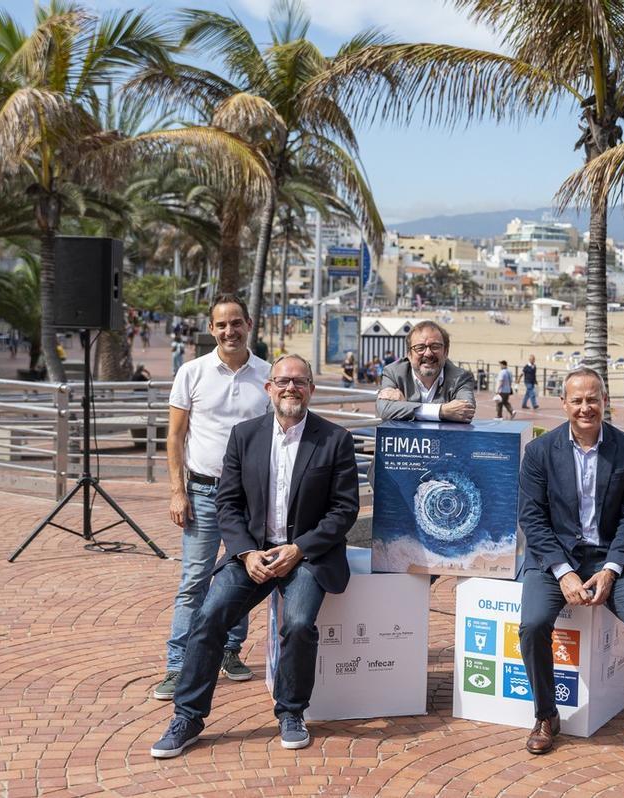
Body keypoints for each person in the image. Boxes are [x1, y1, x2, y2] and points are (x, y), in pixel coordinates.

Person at [150, 354, 360, 757]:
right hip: (254, 556)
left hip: (307, 556)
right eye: (282, 381)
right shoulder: (245, 435)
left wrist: (300, 549)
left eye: (300, 382)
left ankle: (292, 711)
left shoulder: (335, 439)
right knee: (209, 616)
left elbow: (344, 510)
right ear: (269, 389)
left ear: (312, 390)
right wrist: (246, 553)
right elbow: (228, 504)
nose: (290, 388)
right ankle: (188, 716)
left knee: (298, 623)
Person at [517, 367, 624, 765]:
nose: (586, 407)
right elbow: (532, 519)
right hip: (553, 560)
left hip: (611, 557)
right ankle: (546, 716)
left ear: (605, 402)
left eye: (593, 399)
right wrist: (563, 572)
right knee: (531, 624)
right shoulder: (540, 452)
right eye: (577, 400)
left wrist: (612, 568)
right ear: (563, 404)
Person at [154, 294, 271, 702]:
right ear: (211, 329)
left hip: (252, 497)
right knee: (194, 581)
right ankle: (177, 665)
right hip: (203, 492)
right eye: (221, 324)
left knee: (242, 577)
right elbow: (174, 436)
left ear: (249, 324)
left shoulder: (269, 376)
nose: (229, 331)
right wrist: (176, 491)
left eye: (236, 322)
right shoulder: (192, 372)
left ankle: (230, 650)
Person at [375, 320, 476, 422]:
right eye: (420, 348)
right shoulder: (394, 372)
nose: (428, 353)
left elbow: (466, 411)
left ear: (446, 352)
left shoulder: (461, 377)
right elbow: (384, 410)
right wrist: (441, 411)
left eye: (435, 347)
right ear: (409, 354)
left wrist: (405, 405)